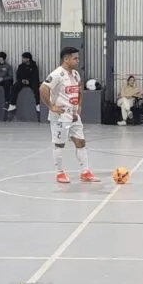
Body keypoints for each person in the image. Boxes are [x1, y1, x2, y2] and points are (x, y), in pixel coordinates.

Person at [40, 46, 99, 184]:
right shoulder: (57, 74)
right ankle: (59, 173)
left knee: (81, 141)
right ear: (66, 59)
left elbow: (79, 89)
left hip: (73, 115)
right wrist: (51, 106)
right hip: (60, 116)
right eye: (75, 58)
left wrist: (79, 105)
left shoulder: (76, 74)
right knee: (59, 144)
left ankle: (85, 172)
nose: (78, 60)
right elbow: (43, 88)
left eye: (78, 58)